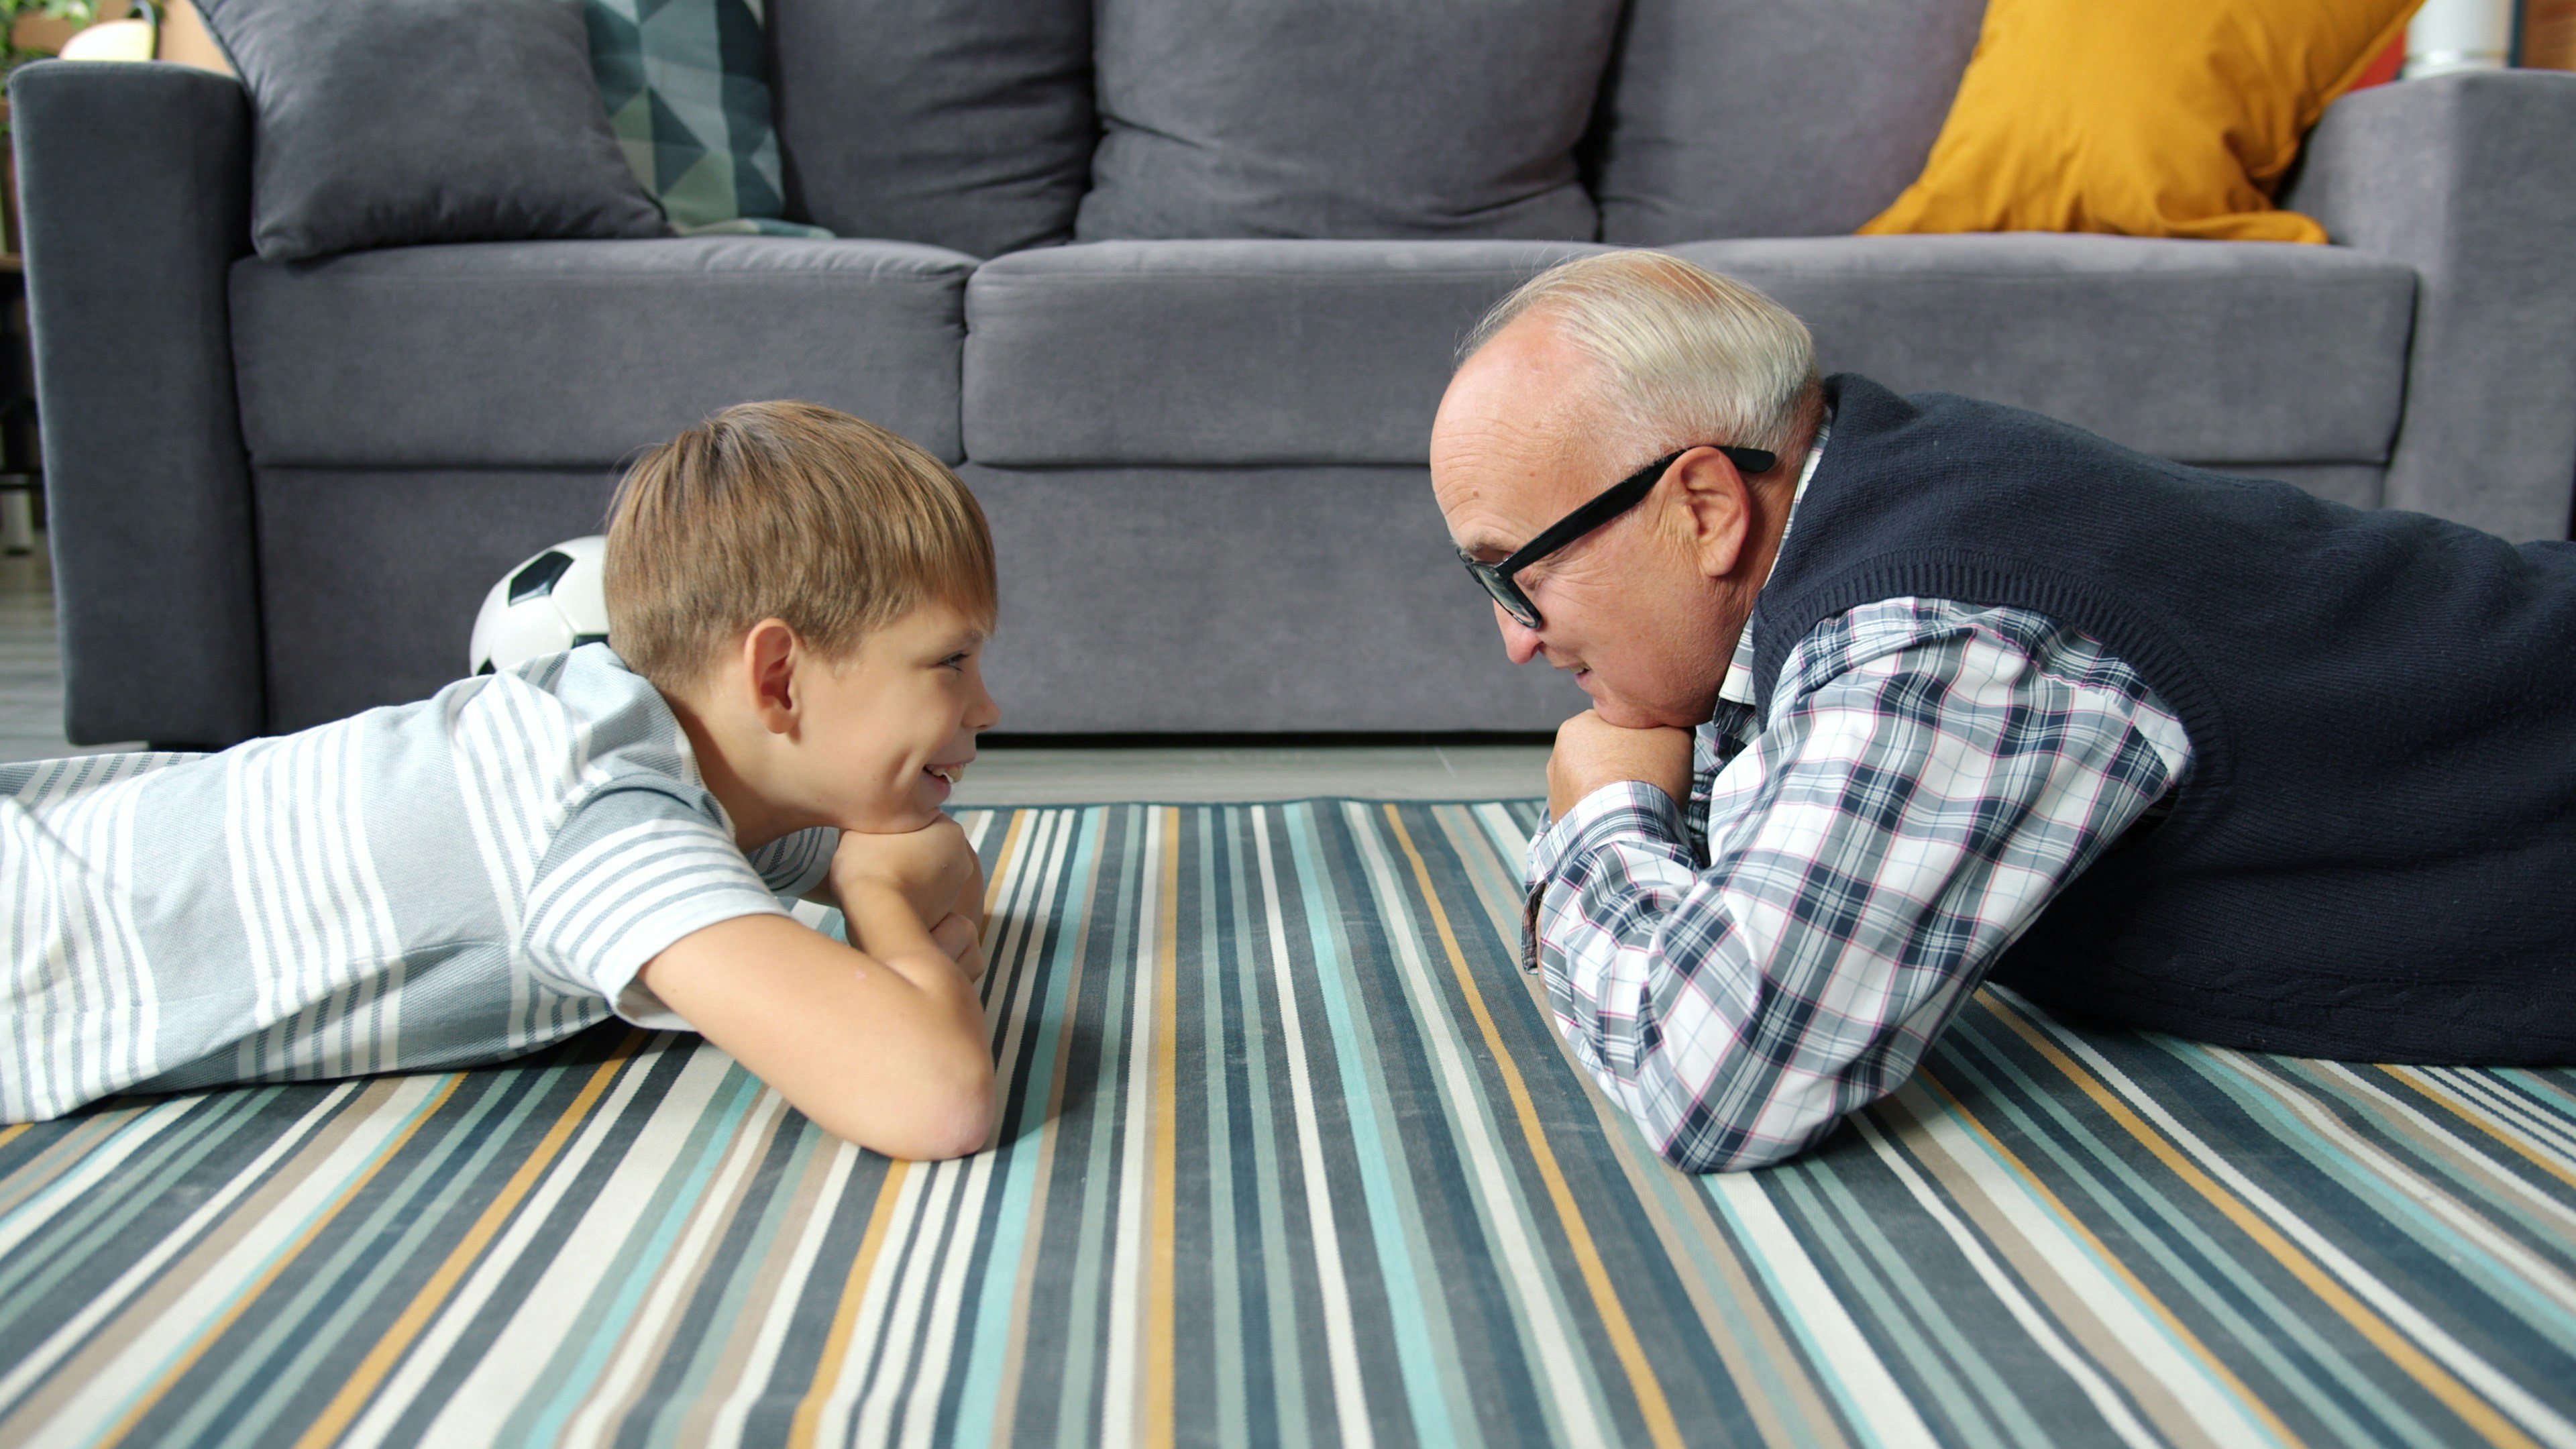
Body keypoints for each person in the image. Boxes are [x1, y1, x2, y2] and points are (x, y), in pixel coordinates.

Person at [1430, 250, 2576, 1172]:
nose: (1515, 640)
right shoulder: (1874, 489)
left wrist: (1604, 816)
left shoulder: (1937, 638)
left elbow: (1721, 1076)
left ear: (1704, 505)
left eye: (1513, 574)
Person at [2, 401, 1003, 1160]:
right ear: (778, 678)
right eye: (949, 663)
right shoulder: (604, 817)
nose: (986, 707)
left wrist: (885, 894)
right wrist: (885, 918)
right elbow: (933, 1097)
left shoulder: (679, 743)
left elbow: (940, 857)